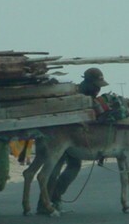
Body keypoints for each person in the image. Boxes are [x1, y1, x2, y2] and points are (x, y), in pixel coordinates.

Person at [38, 68, 108, 214]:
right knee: (56, 169)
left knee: (72, 166)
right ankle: (47, 203)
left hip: (73, 138)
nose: (99, 89)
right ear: (89, 83)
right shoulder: (77, 95)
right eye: (97, 85)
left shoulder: (86, 95)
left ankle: (53, 199)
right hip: (61, 137)